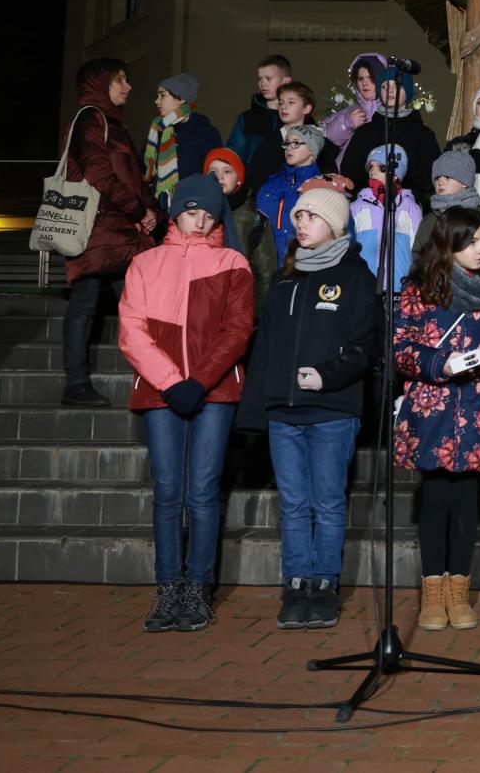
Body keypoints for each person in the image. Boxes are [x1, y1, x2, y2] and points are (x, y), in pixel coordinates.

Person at [238, 185, 379, 630]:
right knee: (294, 504)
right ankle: (296, 584)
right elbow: (264, 348)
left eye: (311, 217)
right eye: (298, 216)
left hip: (332, 410)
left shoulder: (356, 277)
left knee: (329, 503)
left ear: (334, 225)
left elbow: (365, 347)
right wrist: (256, 410)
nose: (301, 223)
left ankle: (324, 586)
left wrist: (327, 376)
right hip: (284, 413)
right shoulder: (285, 278)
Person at [117, 174, 253, 632]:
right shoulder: (145, 263)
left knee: (203, 490)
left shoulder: (233, 262)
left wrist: (199, 381)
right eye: (192, 212)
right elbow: (131, 330)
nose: (200, 221)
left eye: (209, 215)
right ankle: (168, 587)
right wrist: (173, 382)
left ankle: (198, 588)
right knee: (168, 491)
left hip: (215, 390)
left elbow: (237, 329)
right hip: (161, 391)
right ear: (176, 213)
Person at [393, 207, 480, 631]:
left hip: (478, 412)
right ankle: (432, 594)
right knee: (434, 502)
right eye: (473, 241)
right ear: (450, 244)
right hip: (433, 412)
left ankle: (459, 594)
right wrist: (441, 363)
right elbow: (401, 348)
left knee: (467, 503)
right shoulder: (418, 290)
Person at [60, 58, 160, 408]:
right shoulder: (91, 118)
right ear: (100, 83)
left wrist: (150, 210)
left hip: (119, 231)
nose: (128, 86)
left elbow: (134, 177)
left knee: (138, 304)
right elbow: (98, 172)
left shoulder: (114, 124)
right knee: (86, 304)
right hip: (95, 230)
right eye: (120, 80)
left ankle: (154, 377)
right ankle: (76, 385)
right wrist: (137, 210)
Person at [340, 67, 443, 192]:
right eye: (385, 86)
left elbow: (431, 179)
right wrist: (374, 171)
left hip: (409, 201)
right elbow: (349, 174)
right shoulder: (365, 132)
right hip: (367, 200)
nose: (390, 90)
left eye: (398, 86)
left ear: (408, 92)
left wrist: (400, 170)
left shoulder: (423, 134)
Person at [203, 148, 275, 315]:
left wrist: (254, 316)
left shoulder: (253, 218)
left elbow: (265, 272)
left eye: (227, 171)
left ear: (239, 180)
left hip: (239, 307)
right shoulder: (195, 213)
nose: (219, 176)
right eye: (213, 171)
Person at [141, 73, 221, 212]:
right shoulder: (157, 131)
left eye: (162, 95)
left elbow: (213, 178)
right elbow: (141, 170)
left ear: (181, 98)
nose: (156, 101)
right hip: (159, 214)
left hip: (193, 212)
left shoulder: (205, 133)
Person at [351, 145, 422, 292]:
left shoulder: (410, 207)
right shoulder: (357, 206)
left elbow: (418, 250)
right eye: (370, 167)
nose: (373, 171)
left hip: (399, 286)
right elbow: (349, 248)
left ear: (396, 174)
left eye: (381, 167)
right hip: (363, 287)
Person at [256, 123, 327, 266]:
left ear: (312, 150)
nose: (289, 148)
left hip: (307, 266)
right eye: (287, 143)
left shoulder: (321, 187)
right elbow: (258, 231)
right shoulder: (270, 186)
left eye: (296, 143)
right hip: (271, 267)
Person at [246, 80, 338, 184]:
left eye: (291, 102)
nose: (283, 107)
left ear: (306, 108)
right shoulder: (269, 144)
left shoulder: (321, 143)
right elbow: (256, 178)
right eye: (281, 103)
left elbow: (332, 179)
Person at [416, 148, 480, 257]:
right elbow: (417, 255)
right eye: (437, 178)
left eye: (447, 177)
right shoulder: (430, 220)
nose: (440, 182)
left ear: (464, 182)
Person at [226, 54, 292, 165]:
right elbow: (234, 156)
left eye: (268, 78)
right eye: (260, 79)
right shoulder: (247, 118)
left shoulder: (300, 117)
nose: (263, 83)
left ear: (286, 81)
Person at [322, 54, 383, 168]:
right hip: (347, 175)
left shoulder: (393, 112)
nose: (365, 83)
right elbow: (327, 138)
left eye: (371, 77)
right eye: (361, 78)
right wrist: (347, 123)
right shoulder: (350, 112)